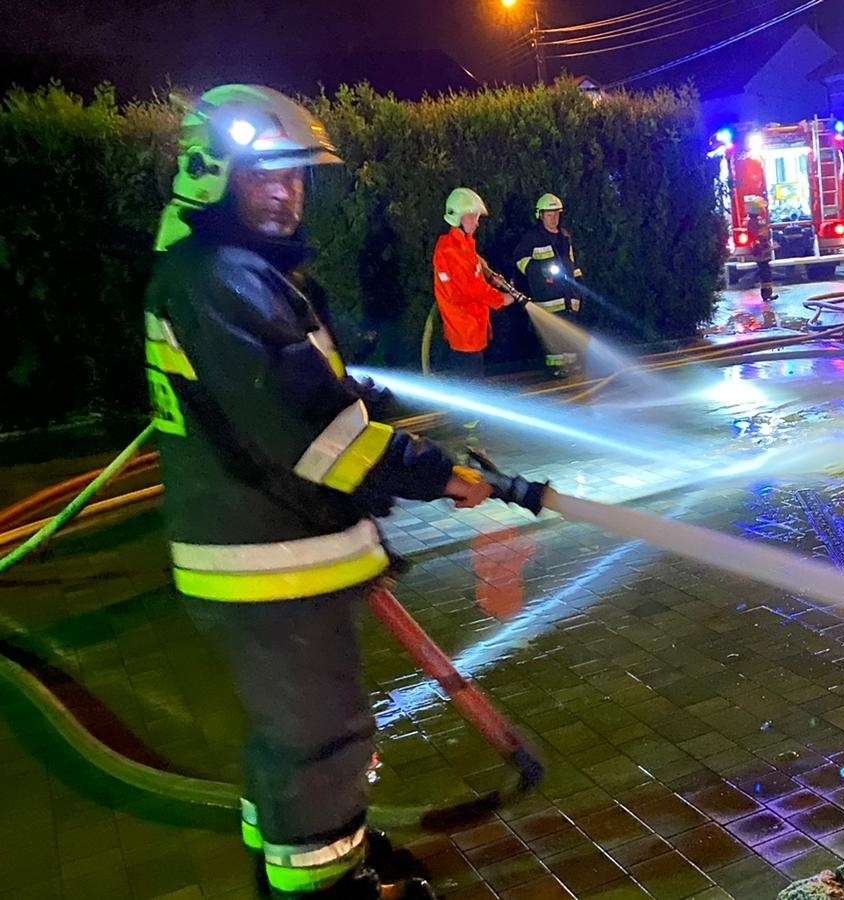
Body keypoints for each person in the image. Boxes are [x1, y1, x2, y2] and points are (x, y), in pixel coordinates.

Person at [144, 84, 507, 900]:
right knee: (321, 736)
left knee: (291, 738)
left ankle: (306, 847)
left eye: (297, 177)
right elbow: (314, 434)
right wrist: (436, 474)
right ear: (211, 176)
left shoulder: (227, 274)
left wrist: (407, 442)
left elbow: (320, 396)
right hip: (268, 560)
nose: (286, 193)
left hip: (267, 553)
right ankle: (324, 881)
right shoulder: (220, 280)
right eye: (263, 177)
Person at [432, 187, 515, 378]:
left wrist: (489, 274)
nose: (477, 223)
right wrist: (501, 298)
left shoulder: (463, 245)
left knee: (472, 383)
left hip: (472, 329)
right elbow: (472, 288)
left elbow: (474, 266)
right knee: (470, 383)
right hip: (464, 330)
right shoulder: (451, 250)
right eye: (473, 217)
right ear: (461, 217)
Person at [512, 193, 585, 377]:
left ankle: (570, 363)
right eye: (550, 214)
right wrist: (539, 271)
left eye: (557, 214)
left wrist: (577, 286)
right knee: (553, 333)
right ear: (541, 215)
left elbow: (571, 263)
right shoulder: (533, 238)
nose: (554, 218)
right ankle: (555, 366)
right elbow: (520, 260)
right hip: (547, 296)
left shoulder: (564, 236)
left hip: (567, 294)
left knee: (568, 329)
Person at [743, 194, 777, 301]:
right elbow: (755, 236)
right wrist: (760, 245)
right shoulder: (753, 222)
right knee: (764, 272)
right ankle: (766, 294)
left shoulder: (756, 220)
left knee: (765, 271)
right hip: (760, 251)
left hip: (762, 250)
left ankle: (767, 293)